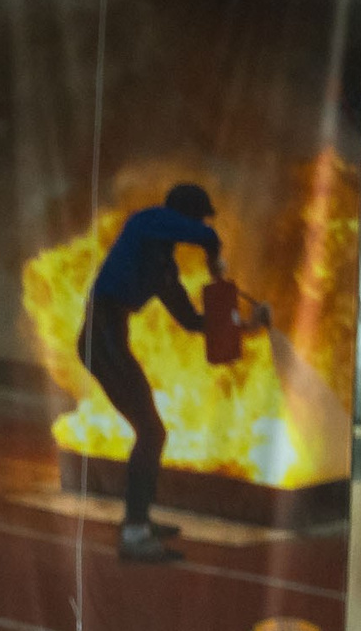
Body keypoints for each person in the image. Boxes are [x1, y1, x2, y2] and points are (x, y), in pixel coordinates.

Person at [78, 183, 265, 565]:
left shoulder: (163, 266)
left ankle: (140, 519)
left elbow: (192, 320)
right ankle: (134, 533)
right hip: (101, 335)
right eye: (197, 217)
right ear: (185, 216)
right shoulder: (145, 222)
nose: (198, 224)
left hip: (111, 337)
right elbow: (206, 235)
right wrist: (214, 261)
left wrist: (247, 327)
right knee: (151, 432)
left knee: (151, 432)